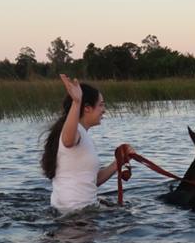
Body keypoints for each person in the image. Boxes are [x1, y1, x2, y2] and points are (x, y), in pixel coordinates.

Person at [41, 74, 135, 212]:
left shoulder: (82, 134)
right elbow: (68, 140)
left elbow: (91, 181)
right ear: (87, 108)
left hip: (78, 212)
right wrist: (76, 102)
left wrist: (118, 163)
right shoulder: (75, 132)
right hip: (75, 217)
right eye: (101, 105)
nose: (104, 110)